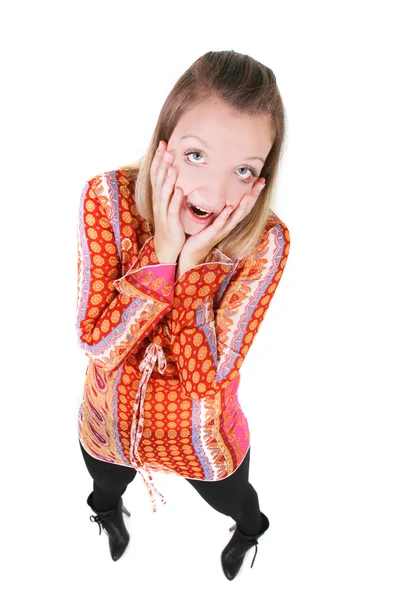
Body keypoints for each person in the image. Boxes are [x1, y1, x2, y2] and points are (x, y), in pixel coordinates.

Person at [76, 49, 290, 580]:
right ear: (164, 141)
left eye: (244, 170)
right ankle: (109, 516)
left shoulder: (266, 243)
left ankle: (249, 533)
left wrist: (189, 269)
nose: (215, 194)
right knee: (103, 487)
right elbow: (99, 345)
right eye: (197, 155)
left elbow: (206, 380)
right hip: (109, 426)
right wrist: (161, 256)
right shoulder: (109, 199)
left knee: (238, 502)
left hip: (201, 437)